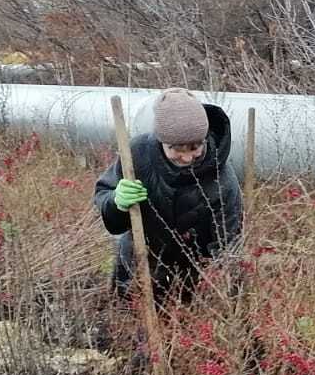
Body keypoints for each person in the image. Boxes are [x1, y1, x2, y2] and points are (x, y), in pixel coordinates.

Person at [93, 88, 240, 305]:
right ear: (161, 141)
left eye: (195, 147)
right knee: (129, 323)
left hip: (191, 275)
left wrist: (221, 293)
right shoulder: (137, 154)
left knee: (180, 326)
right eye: (177, 149)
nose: (187, 156)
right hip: (138, 263)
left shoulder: (222, 181)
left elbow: (229, 247)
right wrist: (116, 202)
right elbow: (110, 213)